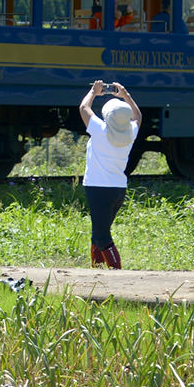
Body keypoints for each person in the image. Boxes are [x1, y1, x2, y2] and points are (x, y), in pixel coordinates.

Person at [78, 80, 141, 269]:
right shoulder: (130, 133)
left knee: (102, 236)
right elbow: (137, 116)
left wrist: (93, 91)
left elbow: (83, 107)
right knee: (98, 232)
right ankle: (97, 270)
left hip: (98, 189)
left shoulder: (100, 130)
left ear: (107, 116)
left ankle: (116, 272)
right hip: (118, 190)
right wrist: (125, 95)